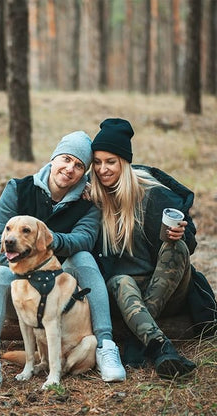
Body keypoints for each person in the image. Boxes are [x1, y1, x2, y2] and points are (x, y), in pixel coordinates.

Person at [0, 131, 126, 397]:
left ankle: (105, 347)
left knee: (84, 258)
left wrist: (43, 239)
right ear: (53, 159)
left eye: (79, 166)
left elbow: (84, 239)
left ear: (84, 173)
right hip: (23, 294)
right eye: (66, 159)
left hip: (63, 297)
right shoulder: (18, 188)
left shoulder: (88, 204)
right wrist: (29, 261)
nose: (69, 169)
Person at [90, 118, 216, 379]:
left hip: (167, 290)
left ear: (124, 162)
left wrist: (182, 233)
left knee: (176, 247)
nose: (103, 169)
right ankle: (161, 348)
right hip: (125, 296)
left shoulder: (152, 194)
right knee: (121, 280)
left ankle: (139, 339)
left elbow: (189, 242)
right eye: (98, 162)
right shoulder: (92, 199)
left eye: (110, 161)